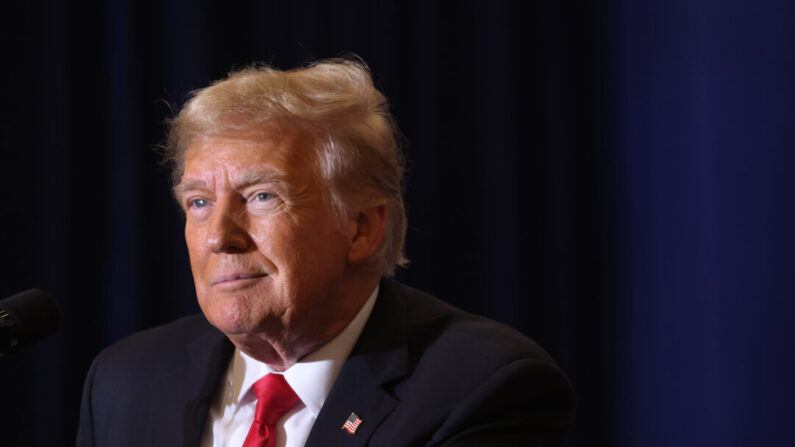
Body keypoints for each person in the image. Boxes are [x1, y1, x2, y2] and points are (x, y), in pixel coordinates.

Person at [76, 58, 574, 447]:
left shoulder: (479, 388)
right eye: (199, 202)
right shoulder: (125, 380)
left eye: (261, 196)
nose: (217, 236)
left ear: (361, 228)